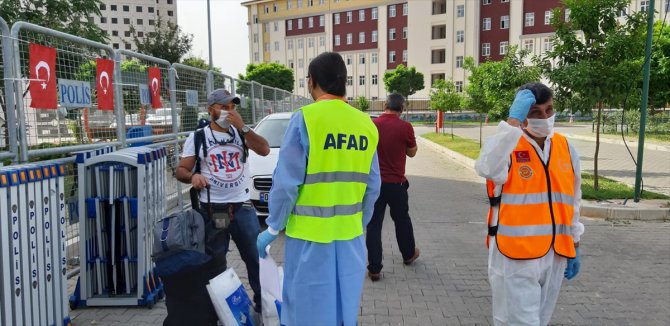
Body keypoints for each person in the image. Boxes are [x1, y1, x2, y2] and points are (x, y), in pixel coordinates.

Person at [255, 52, 381, 326]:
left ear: (312, 82)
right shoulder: (366, 124)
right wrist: (359, 223)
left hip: (310, 240)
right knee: (344, 313)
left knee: (307, 314)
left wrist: (273, 227)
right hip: (350, 239)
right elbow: (373, 186)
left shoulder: (306, 119)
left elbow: (286, 184)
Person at [475, 83, 584, 326]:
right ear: (523, 115)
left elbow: (573, 200)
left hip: (555, 254)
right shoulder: (509, 145)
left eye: (549, 110)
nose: (545, 118)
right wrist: (512, 122)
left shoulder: (566, 148)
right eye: (535, 112)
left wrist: (574, 243)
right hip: (515, 255)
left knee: (540, 321)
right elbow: (487, 167)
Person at [171, 89, 270, 324]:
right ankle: (217, 312)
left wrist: (244, 127)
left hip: (243, 207)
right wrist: (193, 177)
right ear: (211, 109)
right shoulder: (198, 137)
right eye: (224, 107)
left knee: (256, 259)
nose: (229, 111)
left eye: (232, 107)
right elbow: (180, 170)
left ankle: (263, 307)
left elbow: (264, 149)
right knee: (215, 264)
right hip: (213, 209)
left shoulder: (240, 134)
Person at [365, 93, 420, 282]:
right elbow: (412, 153)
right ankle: (408, 254)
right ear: (402, 109)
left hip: (374, 184)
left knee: (373, 225)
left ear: (384, 106)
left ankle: (374, 268)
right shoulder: (405, 127)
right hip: (396, 184)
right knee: (402, 220)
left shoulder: (372, 125)